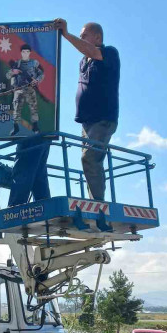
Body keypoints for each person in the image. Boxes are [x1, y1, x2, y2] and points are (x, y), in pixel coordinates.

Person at [53, 19, 120, 201]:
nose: (81, 38)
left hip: (102, 119)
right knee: (89, 161)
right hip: (87, 121)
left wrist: (66, 35)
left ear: (97, 37)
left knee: (90, 159)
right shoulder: (84, 61)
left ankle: (97, 204)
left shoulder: (109, 52)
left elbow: (92, 51)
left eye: (84, 35)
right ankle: (95, 200)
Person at [7, 44, 45, 136]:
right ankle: (16, 127)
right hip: (18, 89)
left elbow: (41, 74)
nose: (25, 53)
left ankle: (35, 127)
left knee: (33, 108)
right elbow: (7, 75)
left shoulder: (34, 63)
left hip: (29, 88)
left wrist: (37, 80)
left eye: (27, 52)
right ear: (21, 53)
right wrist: (13, 72)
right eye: (23, 52)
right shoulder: (17, 64)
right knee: (16, 109)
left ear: (30, 53)